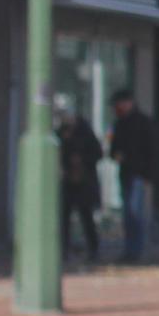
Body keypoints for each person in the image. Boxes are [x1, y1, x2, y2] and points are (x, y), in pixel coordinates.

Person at [107, 90, 158, 264]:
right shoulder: (120, 123)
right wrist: (117, 155)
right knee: (128, 213)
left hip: (139, 174)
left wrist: (148, 176)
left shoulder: (143, 123)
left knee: (135, 212)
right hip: (125, 173)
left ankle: (138, 250)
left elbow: (152, 150)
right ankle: (130, 250)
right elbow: (113, 149)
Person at [58, 110, 104, 262]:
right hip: (66, 182)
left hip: (84, 182)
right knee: (64, 218)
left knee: (86, 217)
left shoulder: (85, 132)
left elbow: (98, 153)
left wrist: (81, 159)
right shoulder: (59, 133)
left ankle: (93, 248)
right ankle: (63, 249)